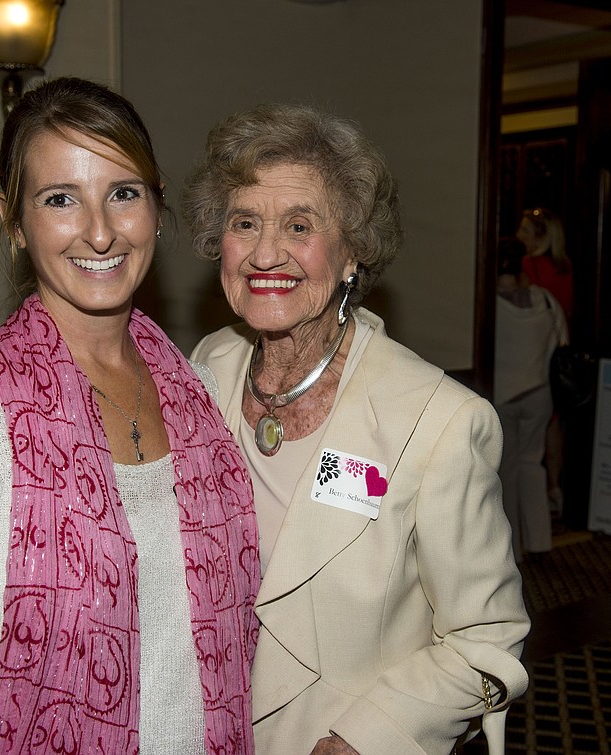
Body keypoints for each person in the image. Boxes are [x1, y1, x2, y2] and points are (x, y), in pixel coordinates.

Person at [0, 77, 259, 755]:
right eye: (60, 199)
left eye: (124, 193)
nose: (100, 231)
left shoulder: (198, 397)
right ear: (14, 221)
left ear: (157, 209)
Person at [184, 103, 530, 755]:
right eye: (245, 222)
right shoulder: (208, 369)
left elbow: (488, 639)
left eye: (299, 224)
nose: (266, 252)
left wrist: (364, 737)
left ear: (351, 252)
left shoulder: (439, 420)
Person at [494, 236, 566, 560]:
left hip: (503, 396)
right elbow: (563, 343)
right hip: (541, 394)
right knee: (532, 464)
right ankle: (540, 541)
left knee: (507, 470)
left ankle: (515, 548)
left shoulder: (488, 305)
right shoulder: (547, 301)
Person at [516, 207, 572, 517]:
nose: (519, 236)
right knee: (554, 424)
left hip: (534, 354)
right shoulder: (564, 268)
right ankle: (555, 488)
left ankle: (531, 501)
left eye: (525, 231)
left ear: (539, 236)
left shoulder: (528, 266)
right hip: (558, 353)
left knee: (529, 441)